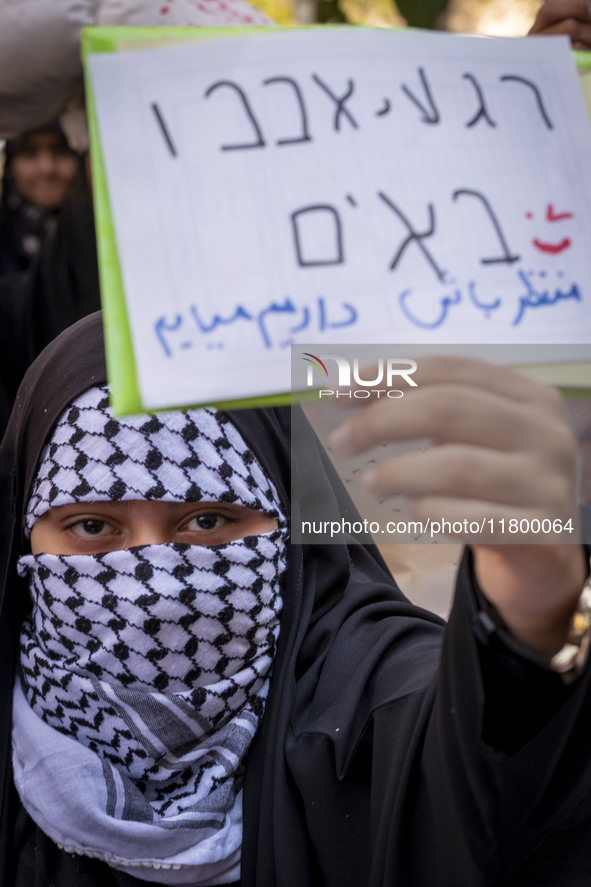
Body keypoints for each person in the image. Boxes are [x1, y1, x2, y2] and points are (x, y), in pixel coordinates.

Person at [0, 311, 589, 887]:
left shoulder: (366, 706)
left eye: (207, 520)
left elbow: (481, 768)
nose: (153, 586)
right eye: (93, 527)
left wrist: (531, 617)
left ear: (286, 519)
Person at [0, 123, 80, 278]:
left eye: (60, 151)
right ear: (11, 166)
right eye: (30, 153)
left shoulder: (106, 236)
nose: (47, 168)